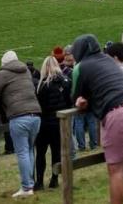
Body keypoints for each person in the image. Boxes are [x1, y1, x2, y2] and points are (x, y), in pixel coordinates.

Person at [72, 34, 123, 204]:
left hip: (120, 112)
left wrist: (82, 101)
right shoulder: (108, 60)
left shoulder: (82, 66)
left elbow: (75, 96)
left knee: (116, 170)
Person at [0, 50, 42, 198]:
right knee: (29, 150)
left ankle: (26, 187)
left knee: (22, 152)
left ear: (3, 63)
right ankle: (30, 183)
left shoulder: (3, 73)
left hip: (19, 116)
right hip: (35, 114)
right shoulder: (26, 71)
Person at [34, 56, 72, 190]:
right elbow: (69, 102)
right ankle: (54, 179)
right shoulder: (66, 82)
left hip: (44, 122)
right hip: (59, 121)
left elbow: (40, 106)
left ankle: (39, 181)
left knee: (41, 152)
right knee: (56, 151)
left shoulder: (42, 86)